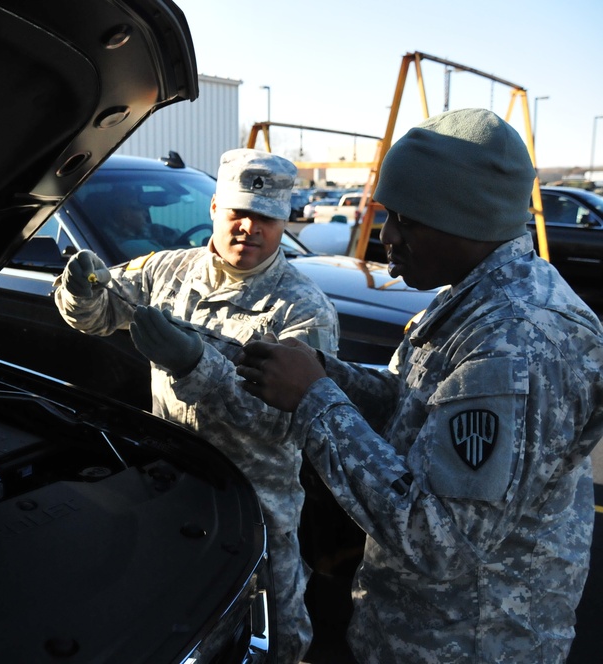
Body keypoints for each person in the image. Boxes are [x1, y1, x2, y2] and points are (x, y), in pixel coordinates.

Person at [235, 108, 603, 663]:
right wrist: (331, 375)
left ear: (466, 221)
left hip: (468, 642)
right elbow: (417, 410)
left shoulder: (518, 341)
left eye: (407, 219)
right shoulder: (477, 297)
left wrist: (315, 400)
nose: (388, 237)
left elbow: (439, 537)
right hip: (418, 629)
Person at [54, 148, 340, 664]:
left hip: (255, 505)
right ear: (213, 209)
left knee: (277, 632)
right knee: (173, 617)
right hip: (174, 483)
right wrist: (79, 291)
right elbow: (96, 315)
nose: (249, 228)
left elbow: (290, 425)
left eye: (266, 218)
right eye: (239, 212)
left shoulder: (303, 308)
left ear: (284, 221)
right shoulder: (167, 270)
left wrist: (195, 366)